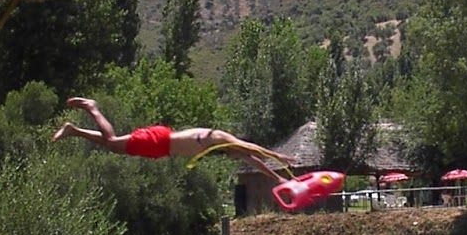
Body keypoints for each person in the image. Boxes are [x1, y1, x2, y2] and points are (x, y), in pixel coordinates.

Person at [52, 97, 292, 179]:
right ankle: (92, 107)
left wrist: (278, 178)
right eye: (240, 153)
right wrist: (278, 157)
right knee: (113, 141)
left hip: (161, 149)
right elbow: (251, 148)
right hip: (160, 140)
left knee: (114, 146)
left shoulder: (227, 150)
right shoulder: (221, 137)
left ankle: (74, 130)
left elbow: (253, 161)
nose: (240, 156)